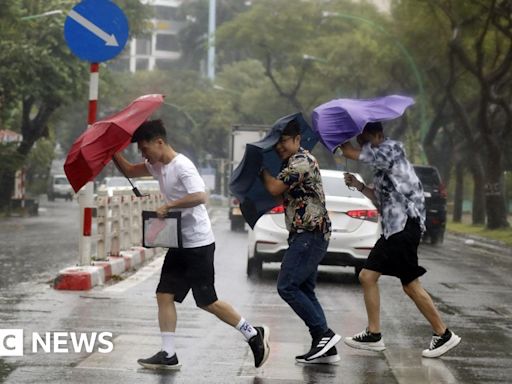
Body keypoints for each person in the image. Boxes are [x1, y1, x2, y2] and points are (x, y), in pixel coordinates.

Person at [113, 119, 269, 370]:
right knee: (164, 294)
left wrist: (170, 205)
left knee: (207, 301)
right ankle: (168, 353)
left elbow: (200, 196)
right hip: (179, 242)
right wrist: (112, 152)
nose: (144, 155)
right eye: (141, 152)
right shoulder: (157, 166)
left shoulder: (182, 165)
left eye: (145, 149)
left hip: (198, 243)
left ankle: (253, 333)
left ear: (159, 142)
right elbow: (131, 171)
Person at [339, 121, 461, 358]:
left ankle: (443, 333)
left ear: (378, 135)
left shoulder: (390, 149)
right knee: (367, 276)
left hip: (405, 226)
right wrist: (359, 186)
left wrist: (342, 139)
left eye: (365, 139)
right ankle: (374, 334)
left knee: (410, 285)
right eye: (360, 140)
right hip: (393, 229)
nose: (363, 145)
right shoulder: (382, 162)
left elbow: (351, 153)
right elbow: (380, 198)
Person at [259, 120, 341, 364]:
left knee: (287, 286)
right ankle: (325, 347)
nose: (280, 146)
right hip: (305, 234)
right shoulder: (291, 162)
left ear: (297, 139)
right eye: (278, 143)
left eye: (284, 141)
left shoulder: (301, 161)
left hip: (310, 233)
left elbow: (274, 188)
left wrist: (262, 169)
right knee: (304, 289)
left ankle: (324, 335)